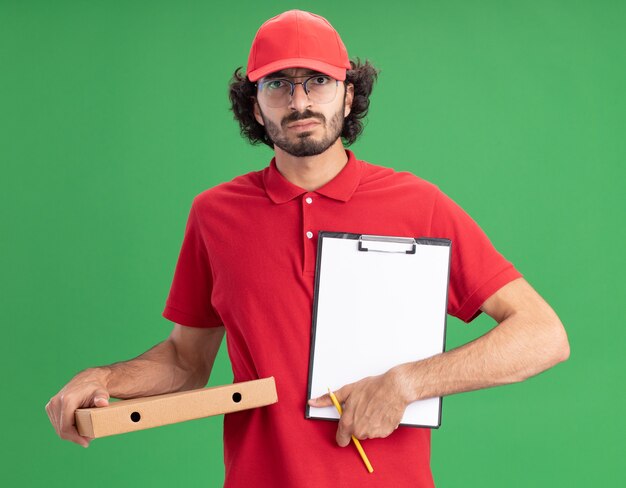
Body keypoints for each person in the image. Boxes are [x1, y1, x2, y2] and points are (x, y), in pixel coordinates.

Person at [46, 9, 570, 487]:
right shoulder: (214, 214)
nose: (299, 101)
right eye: (278, 84)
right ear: (255, 105)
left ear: (347, 93)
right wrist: (105, 377)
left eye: (317, 81)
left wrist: (407, 383)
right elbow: (187, 360)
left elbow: (543, 334)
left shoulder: (419, 203)